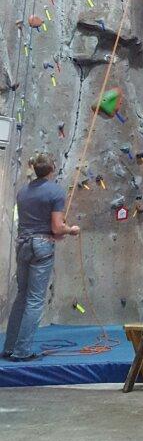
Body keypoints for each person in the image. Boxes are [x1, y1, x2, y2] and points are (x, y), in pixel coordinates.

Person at [2, 154, 80, 362]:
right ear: (52, 169)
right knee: (35, 300)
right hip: (41, 246)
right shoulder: (55, 192)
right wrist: (71, 229)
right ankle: (22, 350)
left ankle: (9, 347)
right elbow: (56, 228)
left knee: (22, 296)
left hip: (23, 244)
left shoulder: (23, 192)